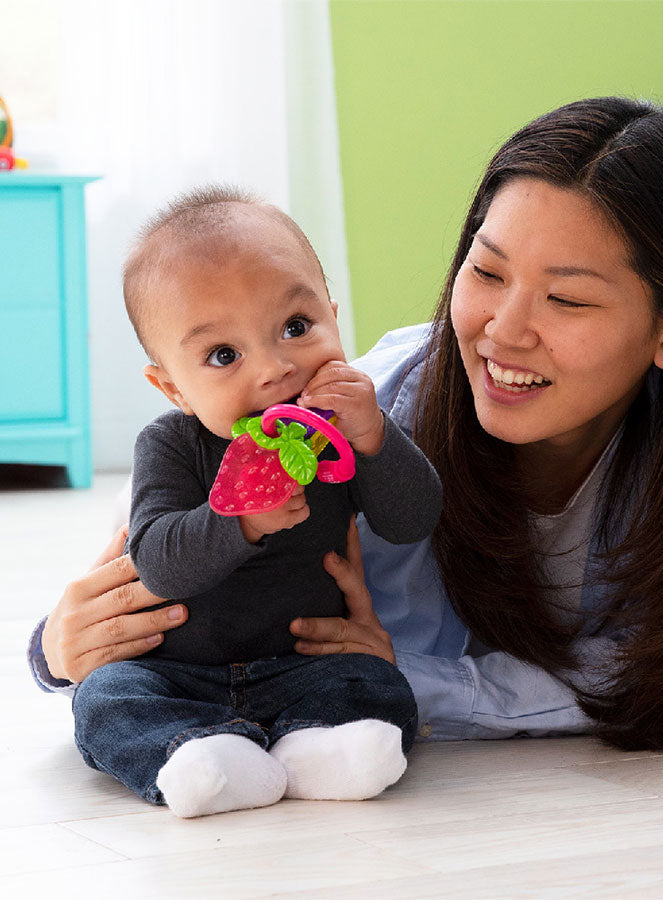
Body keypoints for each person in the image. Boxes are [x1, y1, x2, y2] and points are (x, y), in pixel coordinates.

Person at [31, 96, 663, 756]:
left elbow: (654, 671)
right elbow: (161, 566)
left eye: (568, 300)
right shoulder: (378, 408)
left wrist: (410, 680)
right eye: (486, 273)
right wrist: (54, 649)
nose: (502, 331)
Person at [59, 187, 442, 817]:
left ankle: (323, 747)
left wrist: (376, 438)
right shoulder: (169, 445)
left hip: (303, 663)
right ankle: (197, 756)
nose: (273, 369)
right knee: (105, 700)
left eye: (296, 327)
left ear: (335, 318)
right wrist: (237, 518)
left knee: (377, 682)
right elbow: (156, 560)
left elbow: (412, 521)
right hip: (176, 673)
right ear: (173, 387)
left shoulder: (341, 430)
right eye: (223, 355)